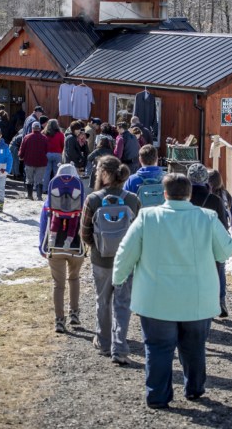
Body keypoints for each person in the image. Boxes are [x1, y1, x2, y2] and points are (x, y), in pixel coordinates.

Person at [113, 173, 232, 409]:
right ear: (189, 194)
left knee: (158, 348)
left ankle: (158, 395)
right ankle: (195, 388)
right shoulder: (207, 218)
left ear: (164, 193)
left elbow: (125, 253)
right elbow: (225, 252)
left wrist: (118, 280)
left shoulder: (147, 217)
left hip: (156, 300)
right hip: (198, 299)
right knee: (195, 346)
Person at [80, 156, 141, 364]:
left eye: (98, 171)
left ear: (105, 174)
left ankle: (104, 342)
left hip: (101, 259)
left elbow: (85, 233)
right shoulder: (133, 199)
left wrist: (97, 246)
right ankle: (120, 347)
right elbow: (139, 233)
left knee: (103, 300)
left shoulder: (93, 199)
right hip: (126, 260)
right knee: (123, 303)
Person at [187, 164, 230, 316]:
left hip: (188, 246)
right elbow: (224, 227)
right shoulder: (215, 200)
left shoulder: (184, 198)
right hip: (210, 247)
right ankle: (217, 302)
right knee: (213, 277)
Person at [208, 169, 232, 317]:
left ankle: (208, 301)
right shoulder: (227, 196)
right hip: (222, 238)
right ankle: (221, 300)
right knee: (220, 269)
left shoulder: (208, 197)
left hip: (207, 237)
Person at [19, 121, 48, 200]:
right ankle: (39, 196)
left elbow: (22, 149)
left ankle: (30, 195)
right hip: (41, 162)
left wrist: (21, 156)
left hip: (29, 161)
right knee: (39, 180)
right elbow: (46, 150)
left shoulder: (27, 137)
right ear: (39, 128)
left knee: (29, 179)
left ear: (32, 128)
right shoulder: (44, 138)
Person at [43, 119, 64, 187]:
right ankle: (56, 189)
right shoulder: (60, 134)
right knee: (57, 172)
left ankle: (45, 188)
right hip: (57, 154)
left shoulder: (44, 133)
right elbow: (62, 144)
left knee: (46, 172)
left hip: (47, 154)